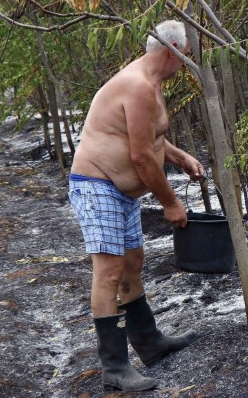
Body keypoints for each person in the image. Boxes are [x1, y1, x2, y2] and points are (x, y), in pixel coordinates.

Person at [68, 20, 205, 391]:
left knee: (133, 264)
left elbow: (149, 139)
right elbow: (142, 157)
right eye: (185, 54)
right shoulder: (139, 85)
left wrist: (180, 158)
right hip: (98, 186)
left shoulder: (151, 83)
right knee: (109, 272)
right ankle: (114, 366)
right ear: (171, 51)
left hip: (121, 191)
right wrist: (171, 203)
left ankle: (149, 343)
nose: (186, 61)